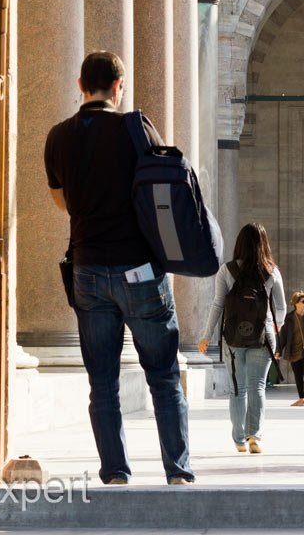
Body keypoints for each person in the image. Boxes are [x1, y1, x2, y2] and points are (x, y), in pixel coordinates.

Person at [44, 51, 194, 485]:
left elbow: (61, 201)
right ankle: (177, 471)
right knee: (163, 376)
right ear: (119, 86)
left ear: (80, 85)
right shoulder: (135, 128)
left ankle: (114, 472)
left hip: (88, 268)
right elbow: (161, 186)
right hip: (140, 268)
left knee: (103, 379)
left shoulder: (58, 136)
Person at [197, 223, 286, 454]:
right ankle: (255, 436)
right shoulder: (272, 271)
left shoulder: (226, 270)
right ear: (264, 244)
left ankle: (238, 439)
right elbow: (281, 308)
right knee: (257, 387)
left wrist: (206, 335)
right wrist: (275, 328)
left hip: (233, 336)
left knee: (238, 388)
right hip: (263, 335)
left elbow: (217, 304)